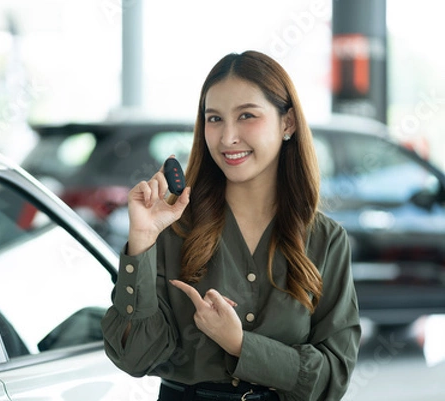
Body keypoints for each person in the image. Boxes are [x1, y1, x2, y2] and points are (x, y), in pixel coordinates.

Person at [101, 50, 361, 401]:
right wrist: (142, 241)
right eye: (214, 119)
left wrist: (242, 346)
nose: (227, 138)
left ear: (288, 123)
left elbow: (333, 377)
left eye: (247, 116)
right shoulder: (170, 229)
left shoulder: (325, 240)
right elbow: (133, 358)